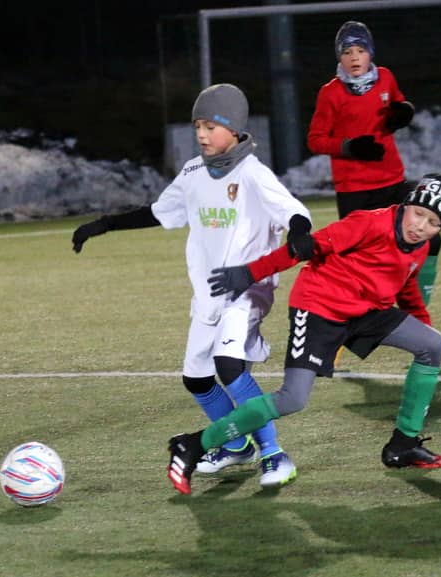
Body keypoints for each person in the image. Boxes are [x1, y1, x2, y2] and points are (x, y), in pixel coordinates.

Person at [71, 83, 313, 488]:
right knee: (197, 379)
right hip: (208, 294)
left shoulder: (252, 173)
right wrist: (105, 224)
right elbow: (159, 211)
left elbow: (294, 212)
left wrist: (299, 232)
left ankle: (274, 454)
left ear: (234, 129)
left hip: (247, 290)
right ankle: (235, 445)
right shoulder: (193, 173)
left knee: (229, 366)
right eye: (197, 126)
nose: (201, 134)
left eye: (210, 126)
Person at [166, 174, 441, 495]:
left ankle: (403, 445)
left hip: (366, 311)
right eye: (418, 213)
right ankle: (194, 444)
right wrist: (249, 273)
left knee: (432, 344)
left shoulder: (420, 245)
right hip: (319, 307)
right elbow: (303, 247)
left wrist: (422, 325)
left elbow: (405, 288)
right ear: (406, 205)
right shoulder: (369, 223)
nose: (421, 226)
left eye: (433, 222)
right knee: (293, 398)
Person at [306, 20, 441, 306]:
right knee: (358, 258)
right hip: (355, 190)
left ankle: (420, 302)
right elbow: (315, 140)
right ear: (339, 58)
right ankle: (354, 311)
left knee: (429, 236)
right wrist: (350, 147)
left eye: (360, 50)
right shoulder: (331, 93)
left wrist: (403, 113)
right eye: (347, 52)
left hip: (393, 181)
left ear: (370, 53)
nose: (354, 58)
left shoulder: (386, 78)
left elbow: (399, 105)